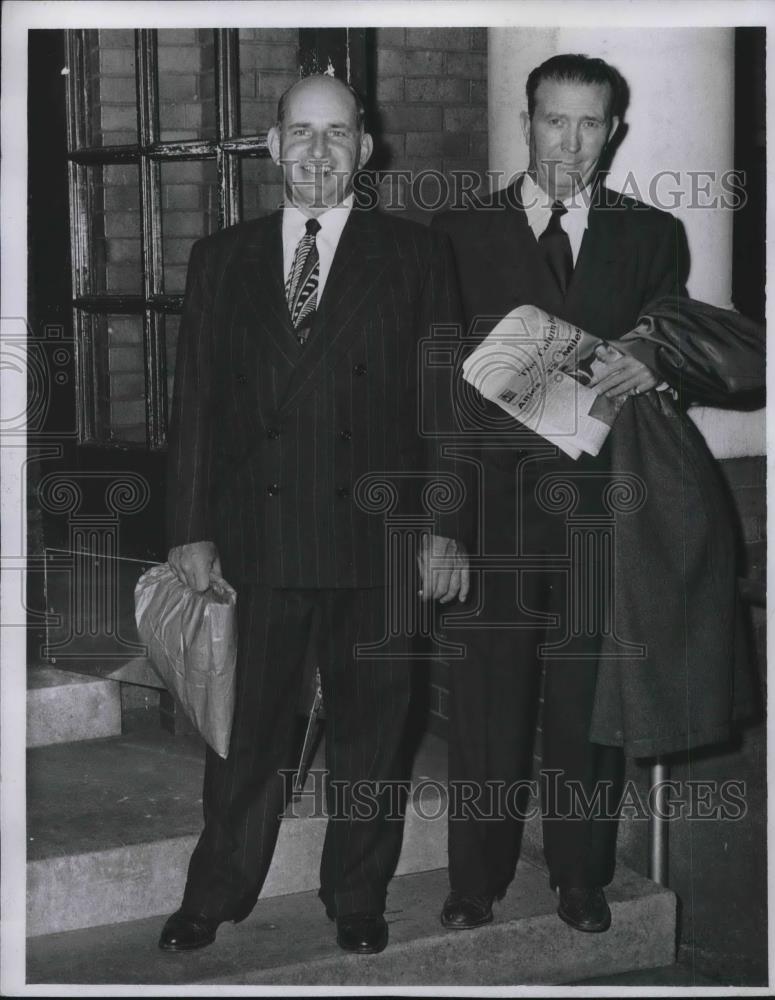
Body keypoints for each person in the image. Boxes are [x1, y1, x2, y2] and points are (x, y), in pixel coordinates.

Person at [159, 74, 468, 957]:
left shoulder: (412, 255)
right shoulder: (221, 257)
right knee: (247, 734)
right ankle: (214, 892)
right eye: (301, 133)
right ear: (271, 144)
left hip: (381, 538)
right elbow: (196, 408)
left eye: (337, 135)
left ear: (365, 151)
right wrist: (187, 526)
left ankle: (356, 894)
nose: (318, 153)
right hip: (259, 538)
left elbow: (444, 405)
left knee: (375, 730)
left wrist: (445, 526)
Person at [432, 53, 689, 934]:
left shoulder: (650, 235)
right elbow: (443, 395)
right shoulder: (458, 233)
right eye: (553, 121)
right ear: (526, 120)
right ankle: (475, 881)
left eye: (589, 124)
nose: (568, 143)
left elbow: (670, 357)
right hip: (494, 514)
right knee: (486, 702)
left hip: (600, 515)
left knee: (588, 708)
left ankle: (580, 877)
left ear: (611, 132)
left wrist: (653, 363)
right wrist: (445, 527)